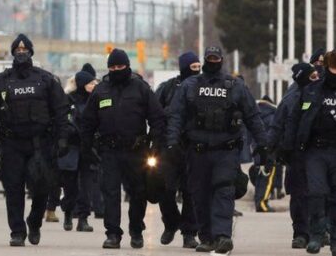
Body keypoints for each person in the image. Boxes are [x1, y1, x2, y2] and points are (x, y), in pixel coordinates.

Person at [167, 46, 268, 254]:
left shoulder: (236, 86)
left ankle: (223, 236)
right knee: (200, 195)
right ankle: (207, 238)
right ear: (205, 60)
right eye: (210, 58)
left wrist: (263, 145)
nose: (213, 61)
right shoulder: (190, 85)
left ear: (221, 60)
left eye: (216, 58)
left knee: (223, 191)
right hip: (197, 151)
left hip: (226, 151)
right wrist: (172, 144)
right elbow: (176, 116)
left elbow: (253, 117)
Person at [0, 34, 68, 247]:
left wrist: (63, 138)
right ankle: (17, 231)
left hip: (40, 144)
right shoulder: (0, 82)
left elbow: (60, 111)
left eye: (25, 49)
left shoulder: (46, 80)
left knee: (41, 188)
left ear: (31, 53)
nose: (21, 52)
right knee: (13, 188)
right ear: (13, 53)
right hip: (12, 144)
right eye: (17, 50)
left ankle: (34, 221)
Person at [79, 48, 165, 250]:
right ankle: (113, 234)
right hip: (109, 151)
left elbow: (157, 118)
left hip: (136, 150)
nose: (116, 70)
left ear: (127, 66)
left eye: (120, 66)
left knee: (137, 192)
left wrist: (155, 142)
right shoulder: (101, 90)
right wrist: (87, 147)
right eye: (113, 67)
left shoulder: (140, 88)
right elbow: (88, 122)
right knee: (110, 192)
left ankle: (136, 230)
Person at [287, 50, 336, 256]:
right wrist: (288, 147)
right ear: (326, 68)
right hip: (315, 151)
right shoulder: (312, 90)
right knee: (316, 193)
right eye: (334, 68)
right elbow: (295, 119)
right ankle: (316, 235)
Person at [154, 51, 200, 248]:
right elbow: (155, 113)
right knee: (165, 189)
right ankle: (171, 223)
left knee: (190, 192)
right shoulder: (167, 88)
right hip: (169, 146)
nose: (197, 71)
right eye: (193, 67)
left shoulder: (204, 87)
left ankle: (189, 233)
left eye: (199, 67)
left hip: (194, 146)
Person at [273, 62, 317, 249]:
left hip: (319, 153)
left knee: (321, 193)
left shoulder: (324, 94)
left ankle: (320, 231)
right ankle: (301, 233)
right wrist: (272, 150)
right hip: (297, 154)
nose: (317, 78)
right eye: (312, 76)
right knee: (299, 195)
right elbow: (278, 125)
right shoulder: (291, 99)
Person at [62, 69, 98, 233]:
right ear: (83, 84)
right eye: (91, 83)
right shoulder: (69, 100)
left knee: (86, 186)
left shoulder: (96, 101)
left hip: (88, 150)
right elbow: (63, 121)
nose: (94, 85)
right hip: (71, 149)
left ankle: (83, 218)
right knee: (70, 186)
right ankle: (68, 212)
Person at [253, 95, 277, 213]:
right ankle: (262, 203)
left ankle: (258, 200)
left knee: (260, 177)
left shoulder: (256, 114)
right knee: (267, 178)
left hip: (258, 150)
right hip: (268, 151)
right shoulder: (273, 115)